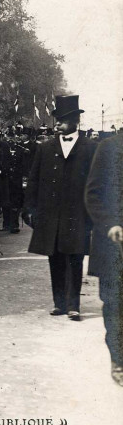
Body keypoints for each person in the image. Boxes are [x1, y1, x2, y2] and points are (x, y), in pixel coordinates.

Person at [23, 95, 97, 321]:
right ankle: (60, 303)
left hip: (77, 214)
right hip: (50, 214)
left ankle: (74, 305)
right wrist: (30, 208)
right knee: (54, 258)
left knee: (74, 258)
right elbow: (33, 180)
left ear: (76, 120)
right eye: (56, 119)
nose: (57, 124)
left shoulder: (90, 148)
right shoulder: (45, 148)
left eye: (62, 120)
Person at [85, 133, 123, 386]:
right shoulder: (109, 148)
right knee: (115, 304)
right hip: (114, 246)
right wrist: (110, 224)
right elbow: (93, 193)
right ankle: (119, 359)